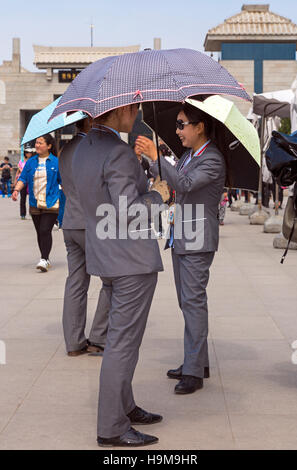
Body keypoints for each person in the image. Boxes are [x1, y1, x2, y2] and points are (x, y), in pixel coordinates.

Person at [72, 104, 170, 447]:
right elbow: (128, 212)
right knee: (122, 345)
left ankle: (124, 406)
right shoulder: (118, 152)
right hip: (130, 261)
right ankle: (112, 426)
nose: (138, 112)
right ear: (123, 109)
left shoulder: (83, 147)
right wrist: (158, 194)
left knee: (121, 340)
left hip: (105, 256)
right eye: (136, 107)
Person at [135, 102, 226, 395]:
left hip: (197, 239)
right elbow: (174, 182)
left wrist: (155, 156)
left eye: (181, 124)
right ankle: (197, 362)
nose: (177, 131)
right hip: (182, 235)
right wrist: (153, 161)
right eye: (176, 124)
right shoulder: (189, 155)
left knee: (193, 303)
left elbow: (184, 184)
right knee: (188, 302)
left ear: (199, 127)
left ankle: (194, 372)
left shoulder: (211, 158)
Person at [59, 118, 110, 357]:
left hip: (70, 221)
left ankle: (73, 342)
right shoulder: (93, 147)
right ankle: (99, 336)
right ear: (90, 120)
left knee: (76, 283)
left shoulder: (66, 149)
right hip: (92, 222)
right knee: (112, 280)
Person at [12, 134, 61, 272]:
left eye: (40, 143)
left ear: (49, 146)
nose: (37, 145)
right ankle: (45, 257)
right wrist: (16, 190)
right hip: (34, 202)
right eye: (36, 143)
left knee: (45, 230)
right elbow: (23, 178)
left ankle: (44, 259)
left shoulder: (56, 162)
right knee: (40, 232)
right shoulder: (31, 162)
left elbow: (63, 181)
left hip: (51, 202)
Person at [14, 148, 34, 219]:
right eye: (28, 152)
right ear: (25, 153)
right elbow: (19, 171)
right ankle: (23, 214)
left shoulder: (33, 161)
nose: (29, 154)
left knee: (32, 198)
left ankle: (32, 212)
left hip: (31, 181)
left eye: (30, 152)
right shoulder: (21, 161)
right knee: (23, 198)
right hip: (23, 181)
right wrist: (15, 182)